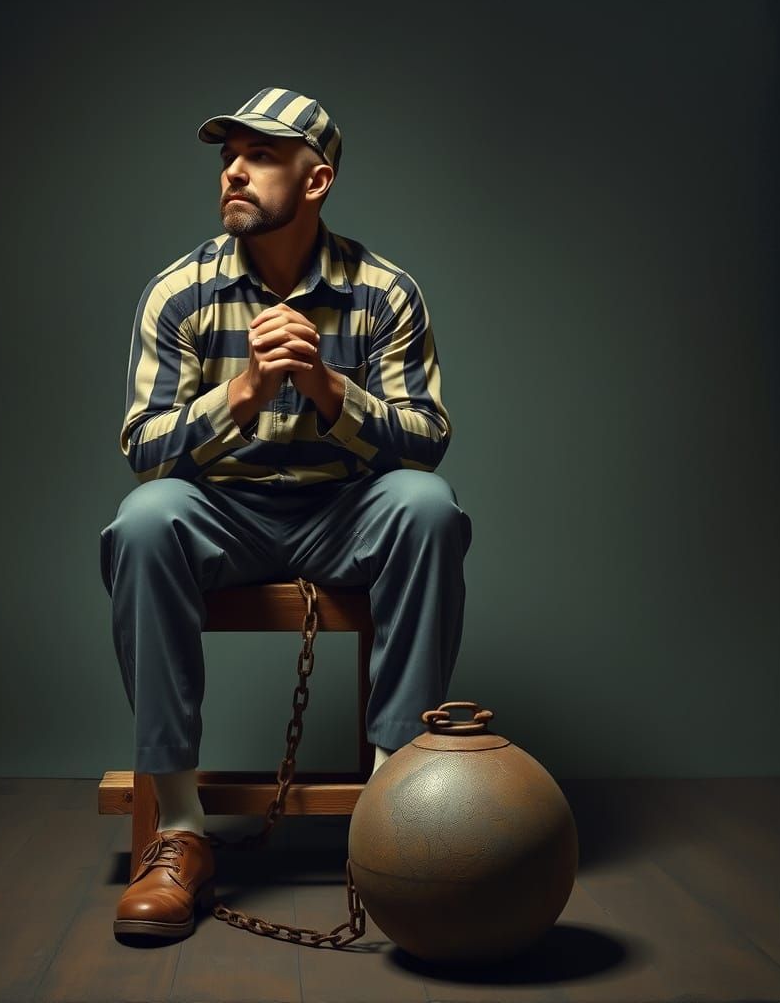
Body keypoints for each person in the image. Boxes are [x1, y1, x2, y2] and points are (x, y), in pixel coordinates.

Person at [100, 87, 472, 942]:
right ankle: (181, 833)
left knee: (427, 506)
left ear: (317, 180)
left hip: (345, 511)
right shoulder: (179, 293)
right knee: (145, 519)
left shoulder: (384, 293)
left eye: (260, 154)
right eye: (227, 155)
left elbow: (426, 441)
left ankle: (391, 819)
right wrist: (241, 393)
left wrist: (328, 390)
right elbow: (142, 448)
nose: (233, 168)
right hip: (221, 512)